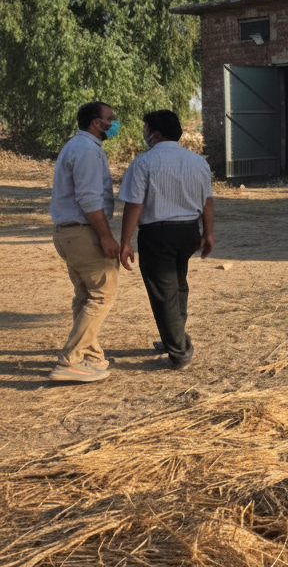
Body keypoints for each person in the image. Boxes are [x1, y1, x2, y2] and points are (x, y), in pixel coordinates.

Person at [118, 110, 214, 370]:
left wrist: (125, 242)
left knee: (164, 292)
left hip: (158, 233)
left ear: (156, 133)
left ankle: (179, 350)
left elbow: (134, 204)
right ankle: (174, 336)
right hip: (188, 232)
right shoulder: (198, 162)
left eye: (146, 128)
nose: (144, 133)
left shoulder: (144, 163)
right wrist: (208, 234)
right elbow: (207, 201)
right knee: (177, 284)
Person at [48, 101, 122, 382]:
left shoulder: (73, 147)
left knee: (85, 296)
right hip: (82, 232)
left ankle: (91, 357)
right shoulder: (88, 152)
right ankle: (70, 360)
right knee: (103, 294)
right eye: (110, 119)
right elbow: (90, 199)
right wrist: (106, 236)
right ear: (96, 122)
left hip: (67, 233)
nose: (114, 124)